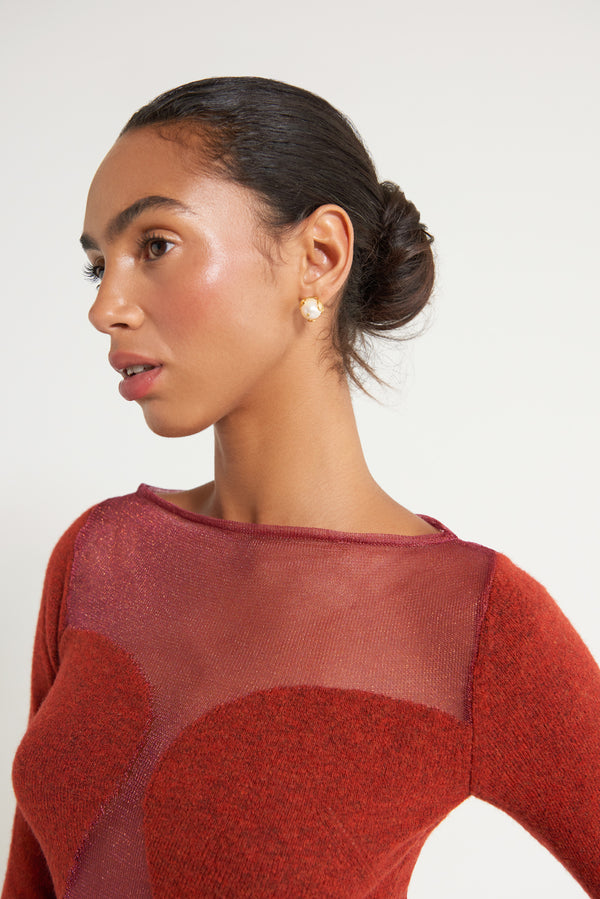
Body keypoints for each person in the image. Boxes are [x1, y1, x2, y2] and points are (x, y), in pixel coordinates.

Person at [2, 76, 599, 899]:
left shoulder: (469, 619)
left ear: (319, 255)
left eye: (157, 246)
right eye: (98, 264)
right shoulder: (100, 556)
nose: (106, 305)